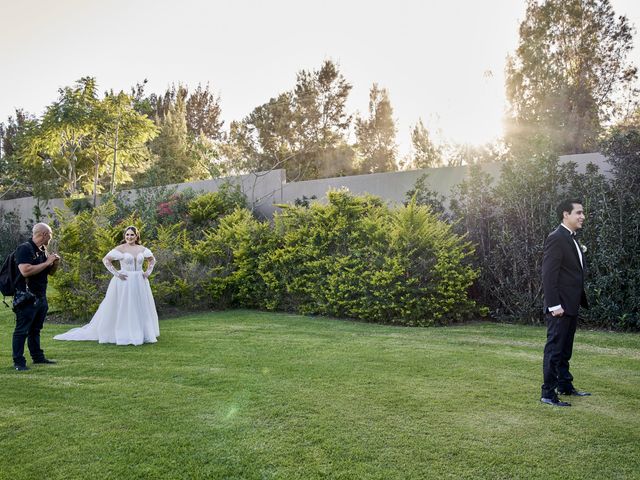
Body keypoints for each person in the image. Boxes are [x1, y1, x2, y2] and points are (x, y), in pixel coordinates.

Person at [54, 226, 159, 346]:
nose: (129, 237)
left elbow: (152, 260)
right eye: (127, 235)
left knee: (139, 306)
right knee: (125, 306)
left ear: (137, 236)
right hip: (125, 281)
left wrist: (147, 272)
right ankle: (125, 332)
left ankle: (142, 332)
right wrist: (117, 273)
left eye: (132, 235)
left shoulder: (142, 249)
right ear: (124, 236)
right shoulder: (120, 248)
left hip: (140, 281)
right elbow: (106, 260)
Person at [540, 199, 591, 406]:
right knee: (554, 350)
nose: (582, 216)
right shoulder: (556, 238)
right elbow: (548, 275)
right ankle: (548, 394)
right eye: (578, 212)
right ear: (565, 214)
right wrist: (554, 306)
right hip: (559, 307)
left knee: (565, 350)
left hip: (571, 304)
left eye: (582, 213)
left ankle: (565, 386)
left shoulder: (571, 238)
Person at [13, 223, 61, 371]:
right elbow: (25, 271)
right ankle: (19, 362)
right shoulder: (25, 248)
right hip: (27, 297)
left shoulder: (42, 250)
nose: (51, 237)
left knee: (35, 329)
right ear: (44, 234)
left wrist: (54, 263)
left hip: (41, 296)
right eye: (51, 234)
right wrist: (47, 262)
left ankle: (38, 357)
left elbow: (49, 273)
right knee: (22, 330)